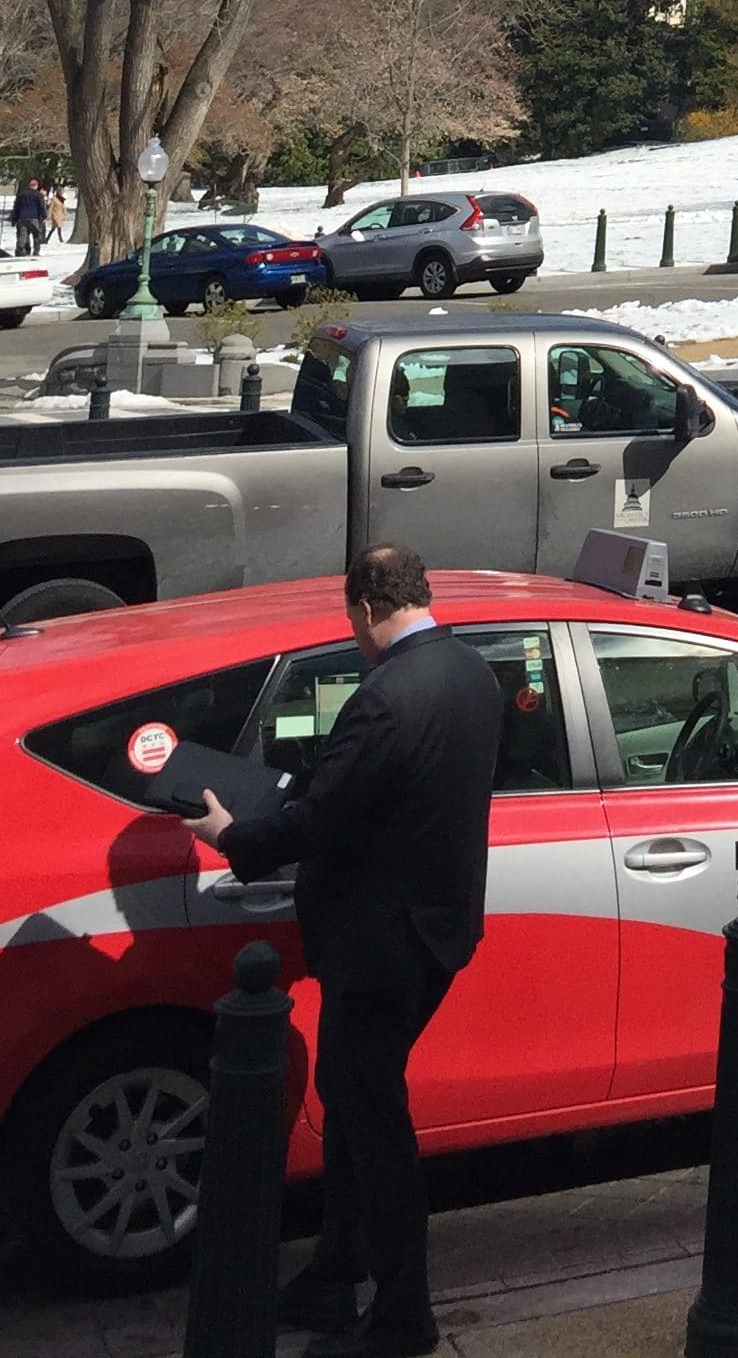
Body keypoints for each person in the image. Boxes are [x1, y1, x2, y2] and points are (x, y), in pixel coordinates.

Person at [188, 543, 502, 1358]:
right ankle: (334, 1275)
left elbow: (318, 818)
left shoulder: (382, 699)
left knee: (372, 1123)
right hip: (436, 931)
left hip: (378, 946)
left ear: (365, 609)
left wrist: (236, 837)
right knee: (353, 1100)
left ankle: (402, 1315)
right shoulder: (474, 673)